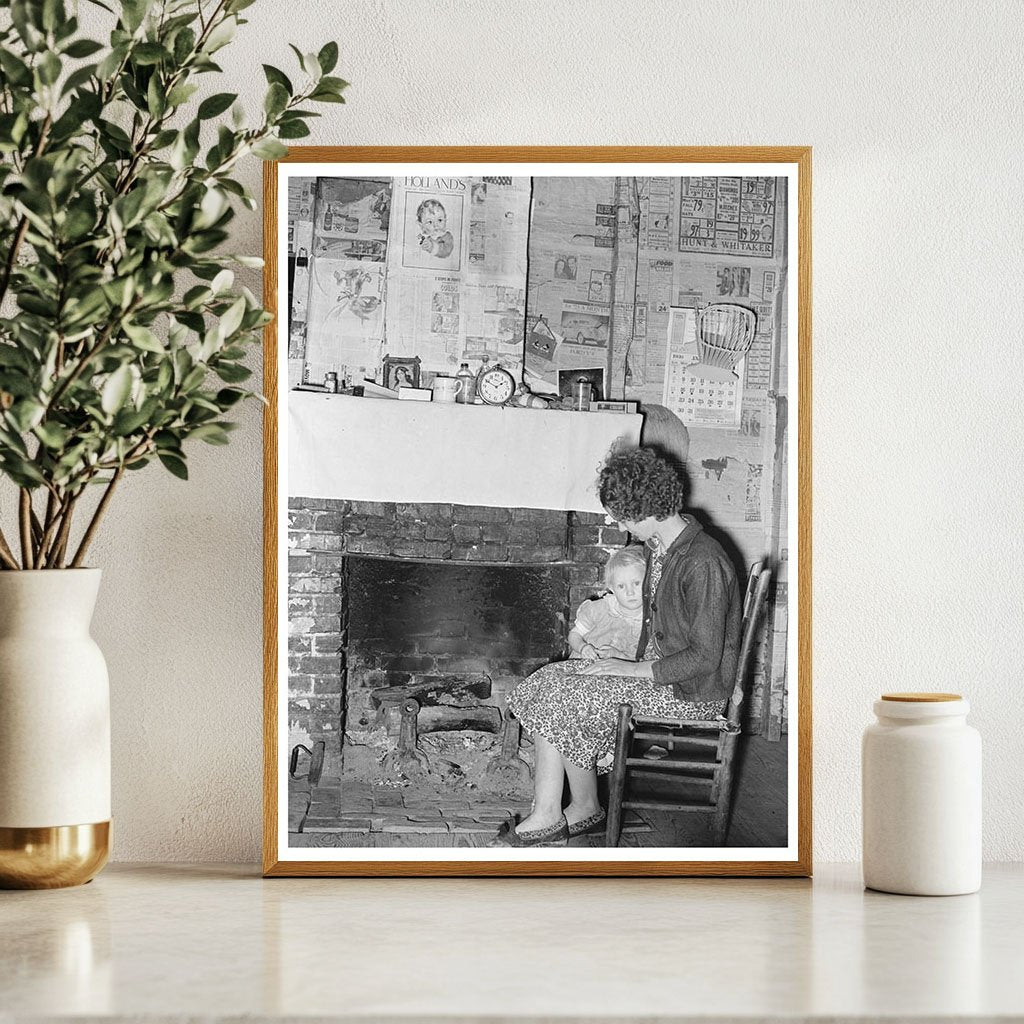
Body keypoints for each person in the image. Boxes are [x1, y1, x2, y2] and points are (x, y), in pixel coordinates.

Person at [490, 446, 741, 848]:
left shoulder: (702, 561)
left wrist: (631, 669)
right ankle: (583, 806)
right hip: (661, 675)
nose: (616, 522)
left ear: (646, 510)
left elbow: (706, 656)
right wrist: (618, 657)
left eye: (622, 516)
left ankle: (548, 814)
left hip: (691, 692)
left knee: (568, 693)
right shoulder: (663, 547)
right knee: (549, 679)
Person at [568, 546, 646, 661]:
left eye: (636, 583)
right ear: (612, 589)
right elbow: (574, 635)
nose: (630, 592)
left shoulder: (653, 621)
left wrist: (619, 656)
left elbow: (649, 663)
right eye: (621, 586)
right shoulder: (599, 609)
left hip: (622, 673)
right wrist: (583, 647)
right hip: (585, 666)